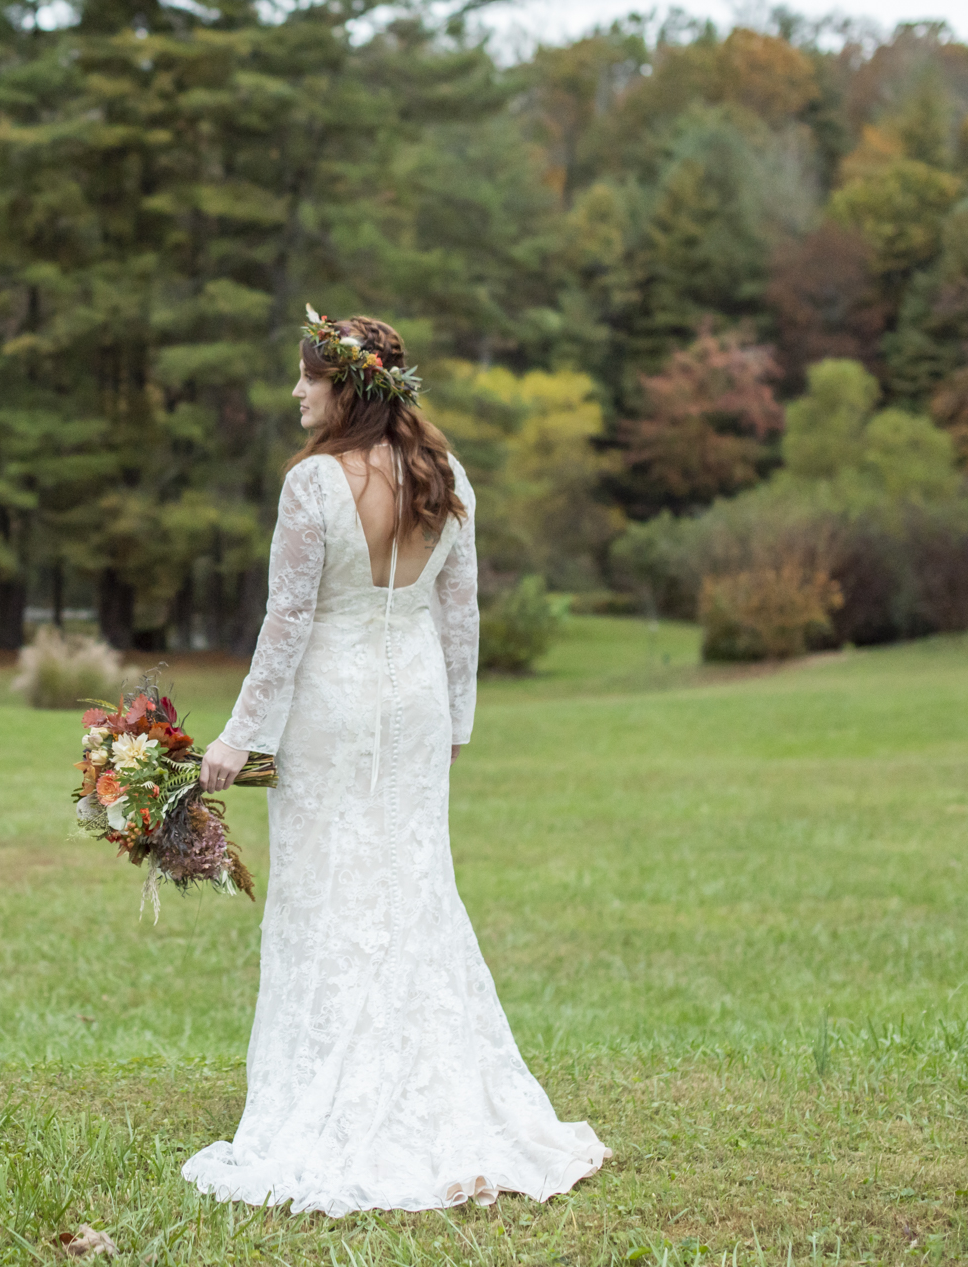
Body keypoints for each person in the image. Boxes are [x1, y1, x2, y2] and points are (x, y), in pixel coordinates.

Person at [181, 308, 609, 1215]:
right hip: (413, 700)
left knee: (331, 880)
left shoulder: (313, 487)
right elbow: (462, 615)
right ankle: (427, 1075)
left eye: (310, 377)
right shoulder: (444, 476)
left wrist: (238, 736)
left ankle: (333, 1084)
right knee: (411, 877)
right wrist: (459, 715)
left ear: (350, 388)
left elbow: (287, 623)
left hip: (333, 704)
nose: (297, 391)